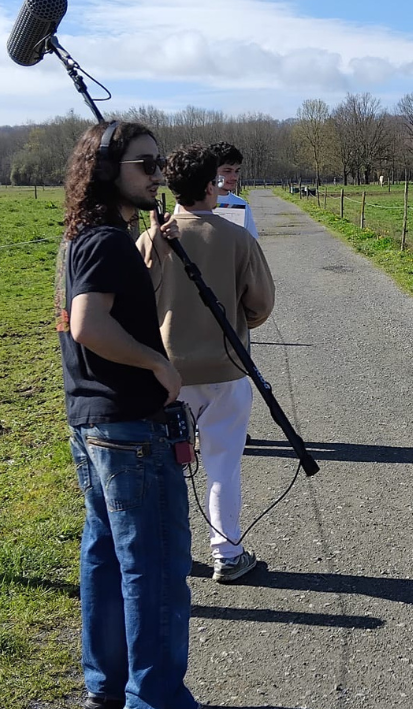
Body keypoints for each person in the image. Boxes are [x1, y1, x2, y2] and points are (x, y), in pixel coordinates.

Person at [56, 120, 198, 709]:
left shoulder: (82, 238)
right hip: (130, 429)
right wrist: (157, 364)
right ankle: (155, 699)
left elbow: (99, 312)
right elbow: (88, 324)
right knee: (155, 567)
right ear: (108, 169)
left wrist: (152, 252)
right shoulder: (107, 242)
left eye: (160, 163)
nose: (158, 174)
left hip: (93, 423)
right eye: (146, 164)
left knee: (107, 557)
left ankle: (107, 688)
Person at [137, 143, 275, 583]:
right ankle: (227, 553)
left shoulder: (150, 240)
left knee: (168, 470)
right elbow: (261, 304)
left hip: (166, 374)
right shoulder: (236, 238)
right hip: (225, 371)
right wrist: (236, 321)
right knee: (222, 467)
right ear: (211, 185)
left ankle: (170, 554)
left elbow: (136, 305)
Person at [210, 140, 258, 239]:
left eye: (237, 171)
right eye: (227, 171)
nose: (234, 177)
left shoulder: (241, 204)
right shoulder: (194, 204)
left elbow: (251, 242)